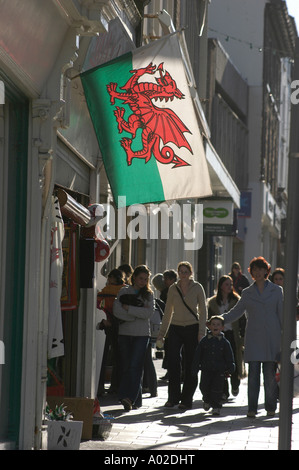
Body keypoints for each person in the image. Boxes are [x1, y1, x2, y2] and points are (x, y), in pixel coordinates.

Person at [222, 256, 283, 418]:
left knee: (270, 376)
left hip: (272, 338)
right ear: (251, 272)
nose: (257, 272)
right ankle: (252, 408)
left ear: (266, 271)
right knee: (254, 375)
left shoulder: (277, 291)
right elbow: (237, 311)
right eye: (254, 270)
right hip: (254, 338)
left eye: (260, 269)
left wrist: (286, 339)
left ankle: (271, 407)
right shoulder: (247, 293)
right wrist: (221, 319)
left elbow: (282, 316)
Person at [156, 261, 207, 410]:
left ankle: (186, 399)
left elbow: (203, 311)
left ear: (191, 273)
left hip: (192, 327)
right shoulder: (173, 288)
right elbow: (168, 312)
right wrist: (162, 334)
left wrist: (201, 332)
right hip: (175, 328)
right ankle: (173, 398)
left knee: (191, 364)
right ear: (178, 273)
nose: (183, 274)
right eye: (181, 272)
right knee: (173, 363)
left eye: (186, 272)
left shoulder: (197, 287)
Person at [113, 264, 154, 411]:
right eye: (140, 278)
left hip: (141, 335)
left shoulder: (148, 294)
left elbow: (148, 314)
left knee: (135, 366)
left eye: (145, 279)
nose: (143, 281)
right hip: (125, 333)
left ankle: (129, 398)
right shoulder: (124, 291)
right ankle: (131, 398)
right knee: (125, 366)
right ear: (134, 277)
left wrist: (129, 309)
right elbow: (117, 311)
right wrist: (136, 315)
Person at [207, 275, 246, 399]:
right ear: (221, 286)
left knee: (233, 361)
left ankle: (235, 384)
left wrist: (243, 336)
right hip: (219, 336)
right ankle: (224, 391)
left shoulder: (237, 300)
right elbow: (209, 319)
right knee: (220, 363)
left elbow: (242, 320)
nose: (229, 286)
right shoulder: (213, 303)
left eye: (231, 284)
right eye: (227, 284)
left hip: (233, 335)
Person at [192, 316, 235, 416]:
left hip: (219, 370)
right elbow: (198, 354)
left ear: (222, 327)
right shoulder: (204, 341)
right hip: (206, 369)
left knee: (217, 388)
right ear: (209, 326)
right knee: (204, 386)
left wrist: (231, 366)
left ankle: (216, 406)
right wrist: (195, 367)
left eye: (218, 325)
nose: (215, 326)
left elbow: (229, 355)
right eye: (213, 324)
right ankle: (206, 399)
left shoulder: (225, 343)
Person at [96, 268, 125, 395]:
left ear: (112, 278)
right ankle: (116, 386)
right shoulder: (125, 289)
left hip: (109, 323)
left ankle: (100, 386)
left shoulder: (106, 291)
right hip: (123, 326)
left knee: (104, 356)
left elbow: (98, 306)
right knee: (119, 357)